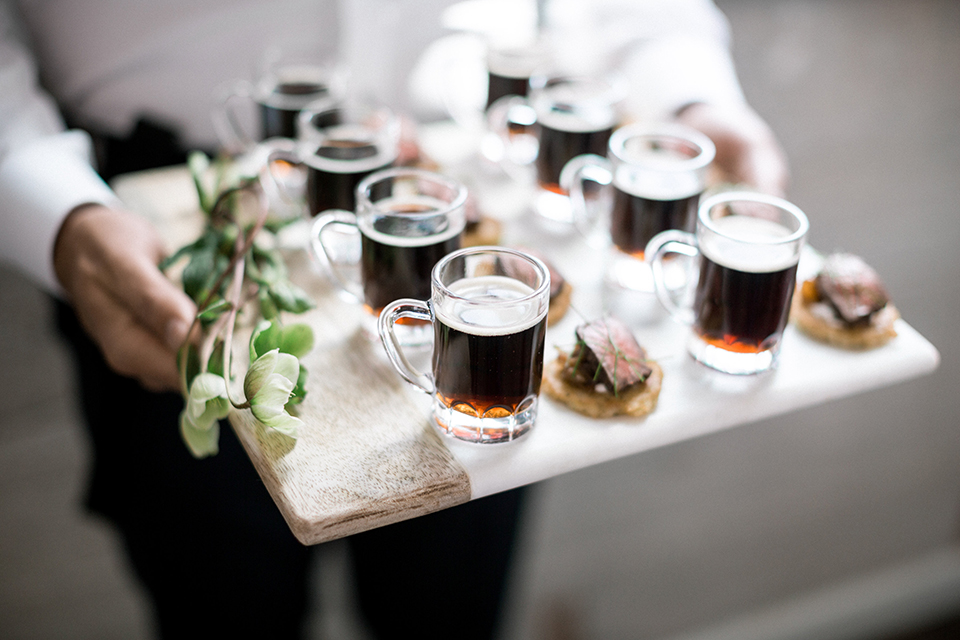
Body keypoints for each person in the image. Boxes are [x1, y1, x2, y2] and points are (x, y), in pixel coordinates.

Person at [0, 1, 789, 638]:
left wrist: (694, 93)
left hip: (446, 216)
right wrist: (46, 203)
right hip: (152, 231)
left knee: (452, 613)